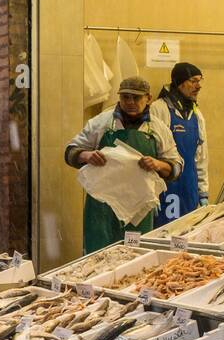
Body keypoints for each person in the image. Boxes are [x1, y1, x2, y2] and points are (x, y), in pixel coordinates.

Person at [65, 75, 184, 254]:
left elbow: (176, 166)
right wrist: (86, 155)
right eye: (125, 97)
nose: (130, 102)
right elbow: (70, 152)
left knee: (136, 258)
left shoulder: (158, 128)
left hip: (139, 209)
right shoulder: (102, 123)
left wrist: (158, 164)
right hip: (101, 207)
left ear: (148, 98)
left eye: (136, 97)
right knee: (97, 256)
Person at [153, 62, 208, 225]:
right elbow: (151, 153)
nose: (198, 86)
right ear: (179, 82)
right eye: (193, 81)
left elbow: (201, 158)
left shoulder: (197, 115)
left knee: (187, 241)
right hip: (165, 189)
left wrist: (203, 193)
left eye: (200, 81)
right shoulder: (158, 109)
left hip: (189, 188)